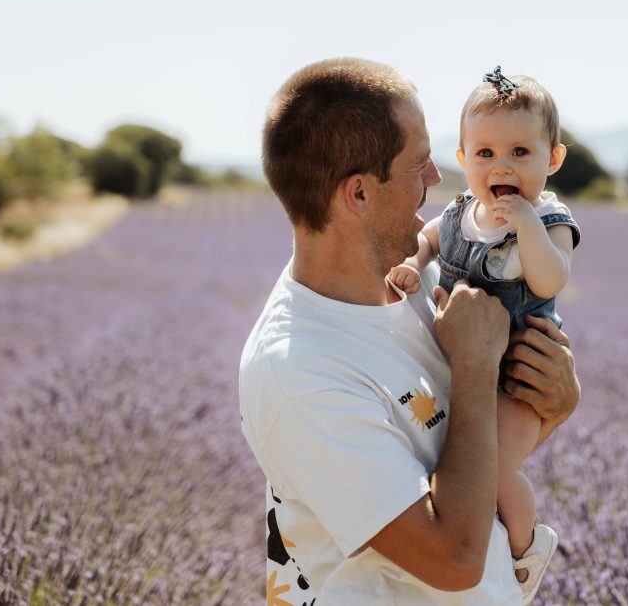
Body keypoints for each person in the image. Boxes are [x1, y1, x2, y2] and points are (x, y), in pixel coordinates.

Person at [238, 57, 580, 606]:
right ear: (358, 194)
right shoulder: (298, 371)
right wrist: (475, 365)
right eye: (418, 164)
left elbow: (473, 462)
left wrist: (554, 403)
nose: (437, 178)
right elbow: (452, 559)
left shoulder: (423, 281)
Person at [388, 67, 578, 591]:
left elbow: (550, 277)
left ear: (552, 159)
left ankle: (523, 549)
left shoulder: (550, 220)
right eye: (486, 153)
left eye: (521, 152)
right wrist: (413, 262)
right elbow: (427, 239)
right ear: (464, 159)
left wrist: (527, 224)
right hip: (465, 373)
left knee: (489, 473)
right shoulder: (459, 214)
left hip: (518, 379)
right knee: (456, 467)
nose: (502, 166)